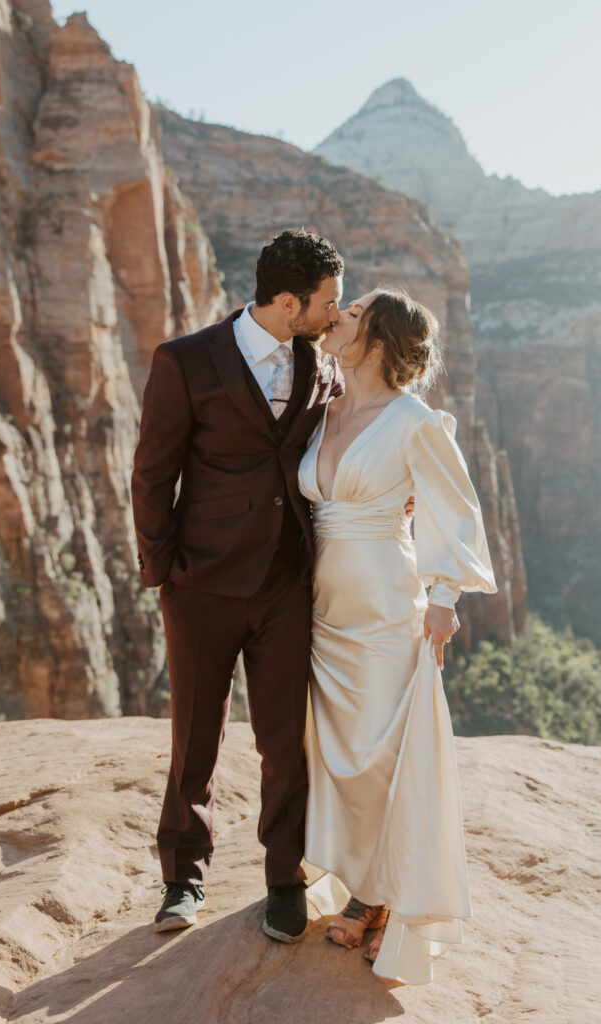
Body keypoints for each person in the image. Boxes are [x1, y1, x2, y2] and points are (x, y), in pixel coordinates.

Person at [131, 229, 345, 942]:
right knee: (196, 737)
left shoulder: (323, 364)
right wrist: (164, 571)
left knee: (285, 740)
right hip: (202, 584)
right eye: (324, 303)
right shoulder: (186, 361)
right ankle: (181, 881)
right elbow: (152, 473)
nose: (332, 316)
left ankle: (283, 880)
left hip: (288, 583)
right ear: (287, 303)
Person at [298, 287, 497, 984]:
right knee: (333, 754)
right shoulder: (318, 410)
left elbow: (455, 507)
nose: (333, 318)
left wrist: (443, 597)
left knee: (382, 758)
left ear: (376, 340)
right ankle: (349, 873)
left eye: (348, 315)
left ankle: (378, 895)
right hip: (317, 611)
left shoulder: (414, 420)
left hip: (385, 606)